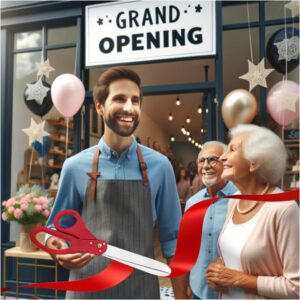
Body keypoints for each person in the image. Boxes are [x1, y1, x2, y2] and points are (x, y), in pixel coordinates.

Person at [46, 67, 185, 299]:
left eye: (135, 100)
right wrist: (56, 247)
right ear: (100, 107)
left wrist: (181, 296)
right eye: (119, 98)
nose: (129, 107)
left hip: (140, 289)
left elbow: (173, 240)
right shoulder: (74, 167)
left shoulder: (160, 166)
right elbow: (55, 229)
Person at [206, 124, 299, 299]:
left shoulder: (284, 208)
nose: (222, 157)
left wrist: (241, 280)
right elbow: (236, 256)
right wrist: (218, 270)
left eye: (232, 150)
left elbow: (296, 287)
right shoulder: (234, 201)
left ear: (254, 162)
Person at [185, 141, 237, 299]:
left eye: (213, 159)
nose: (206, 166)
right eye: (201, 161)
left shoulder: (240, 199)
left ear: (226, 163)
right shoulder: (191, 203)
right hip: (198, 291)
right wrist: (188, 283)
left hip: (232, 292)